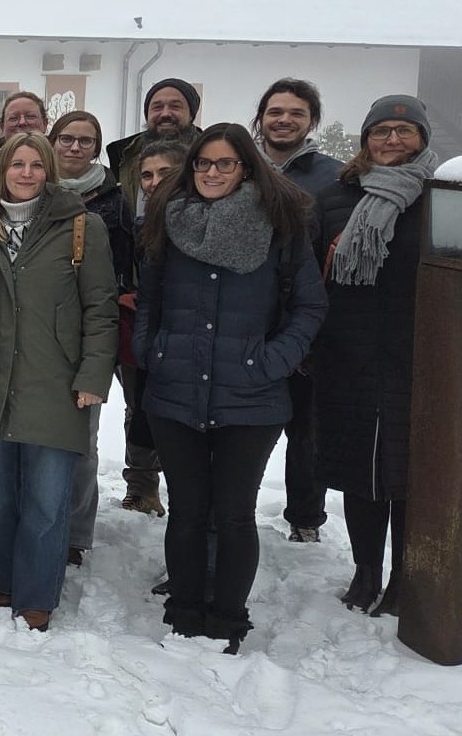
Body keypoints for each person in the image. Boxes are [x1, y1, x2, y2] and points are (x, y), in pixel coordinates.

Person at [133, 123, 327, 653]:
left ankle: (227, 619)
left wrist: (274, 360)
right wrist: (152, 349)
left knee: (235, 513)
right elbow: (149, 298)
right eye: (203, 163)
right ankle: (184, 613)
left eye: (225, 163)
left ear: (246, 167)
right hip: (175, 390)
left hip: (251, 396)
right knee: (188, 510)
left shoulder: (280, 225)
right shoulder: (169, 219)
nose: (212, 172)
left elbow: (309, 306)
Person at [312, 96, 462, 617]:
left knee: (409, 474)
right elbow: (307, 276)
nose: (392, 140)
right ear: (365, 140)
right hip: (348, 359)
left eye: (405, 131)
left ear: (422, 139)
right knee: (359, 471)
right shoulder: (335, 198)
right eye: (381, 131)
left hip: (421, 361)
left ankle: (404, 576)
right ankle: (365, 571)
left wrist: (448, 334)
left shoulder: (449, 200)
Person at [0, 133, 118, 630]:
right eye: (16, 164)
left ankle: (35, 597)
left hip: (56, 383)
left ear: (49, 171)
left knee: (47, 502)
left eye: (35, 165)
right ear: (0, 171)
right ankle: (8, 581)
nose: (26, 173)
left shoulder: (81, 227)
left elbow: (101, 309)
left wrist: (93, 375)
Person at [251, 78, 344, 543]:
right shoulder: (239, 167)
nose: (284, 120)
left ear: (311, 122)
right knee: (242, 429)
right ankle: (229, 514)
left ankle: (305, 517)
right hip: (248, 318)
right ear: (261, 118)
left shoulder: (333, 177)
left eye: (295, 113)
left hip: (307, 321)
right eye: (275, 112)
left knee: (305, 429)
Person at [47, 111, 136, 566]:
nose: (75, 147)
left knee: (82, 440)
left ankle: (76, 532)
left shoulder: (115, 200)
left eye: (86, 141)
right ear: (53, 142)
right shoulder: (33, 189)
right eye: (67, 138)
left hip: (90, 329)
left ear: (97, 149)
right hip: (39, 329)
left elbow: (125, 262)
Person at [119, 140, 188, 518]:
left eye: (165, 172)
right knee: (147, 416)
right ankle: (145, 488)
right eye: (146, 174)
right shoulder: (145, 227)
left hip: (196, 345)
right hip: (155, 341)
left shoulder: (208, 223)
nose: (154, 181)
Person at [106, 78, 203, 212]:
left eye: (175, 106)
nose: (165, 113)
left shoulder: (209, 154)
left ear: (191, 115)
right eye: (157, 107)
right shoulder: (123, 155)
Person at [0, 91, 51, 194]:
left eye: (30, 116)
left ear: (45, 124)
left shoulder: (62, 164)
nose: (22, 122)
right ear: (2, 127)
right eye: (13, 118)